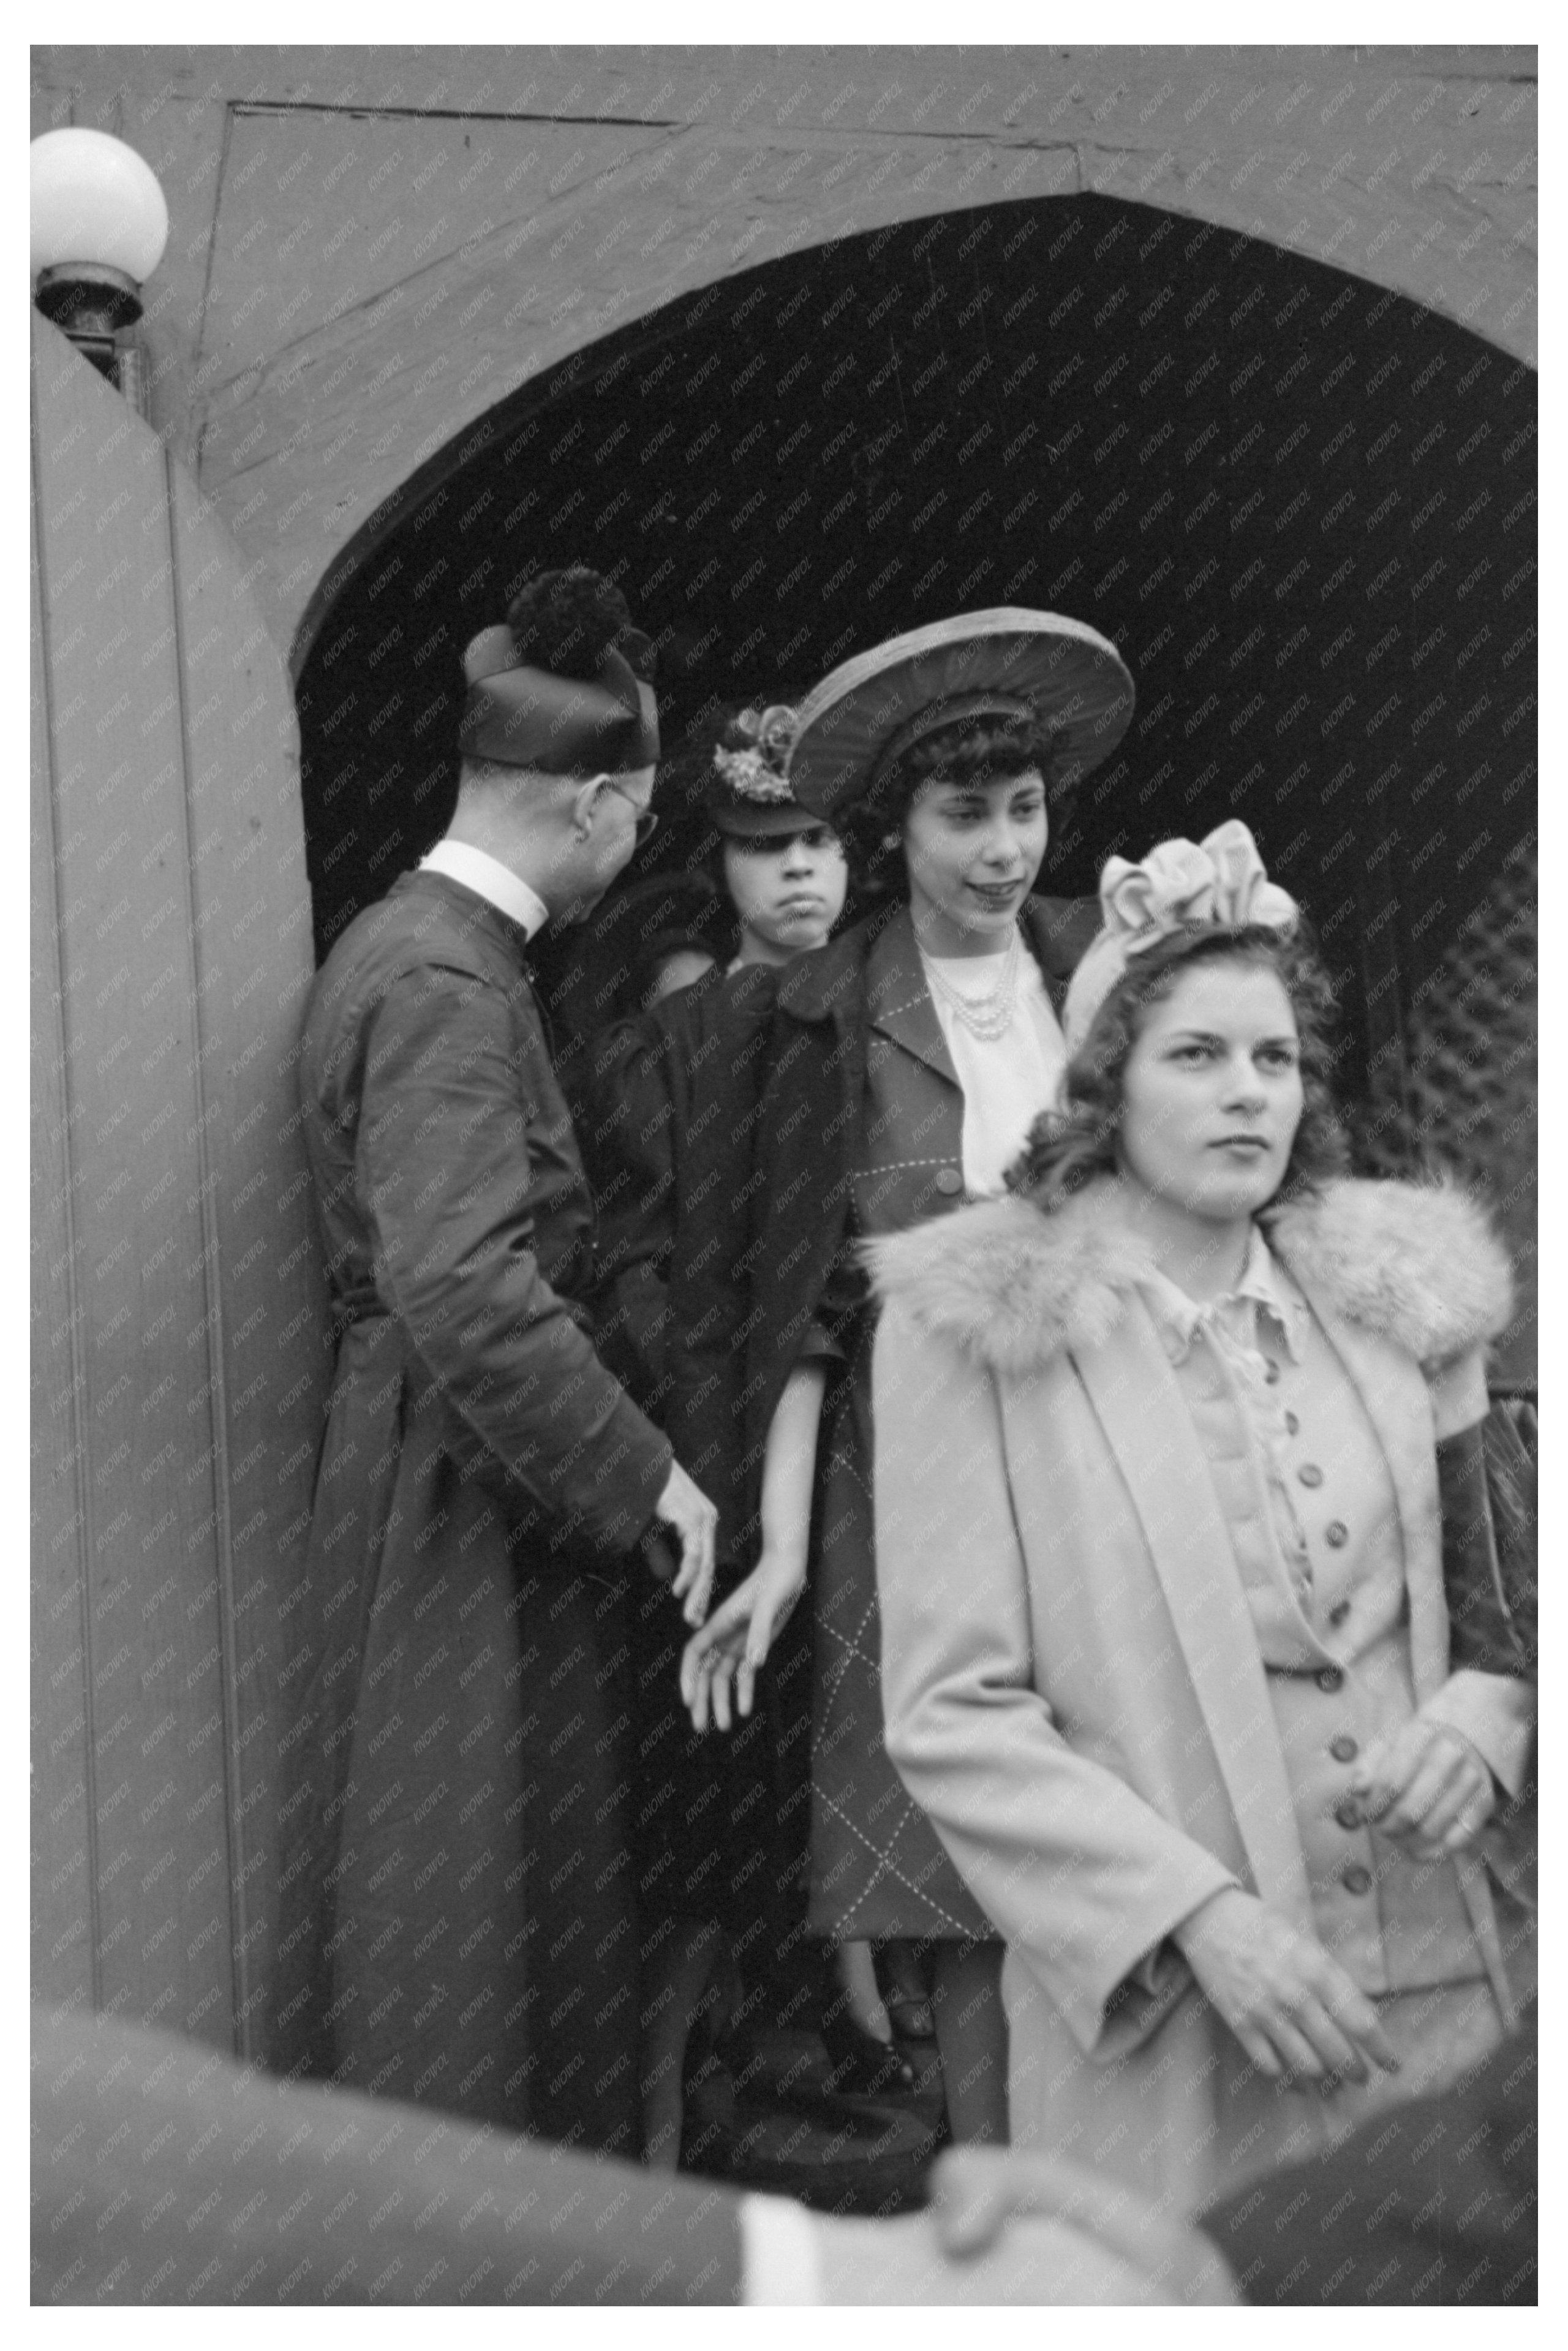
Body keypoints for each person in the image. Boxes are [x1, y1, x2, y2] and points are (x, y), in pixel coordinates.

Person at [865, 820, 1537, 2214]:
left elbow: (1504, 1615)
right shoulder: (974, 1333)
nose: (1248, 1094)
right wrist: (1195, 1917)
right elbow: (953, 1710)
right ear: (1102, 1085)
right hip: (1183, 2025)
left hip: (1450, 1997)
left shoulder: (1399, 1298)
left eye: (1274, 1057)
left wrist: (1490, 1720)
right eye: (1195, 1055)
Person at [668, 611, 1134, 2141]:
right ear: (896, 826)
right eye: (963, 816)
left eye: (1023, 810)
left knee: (1133, 1814)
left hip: (1114, 1457)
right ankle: (986, 2185)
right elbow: (808, 1307)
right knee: (943, 1860)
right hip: (910, 1484)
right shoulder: (821, 1020)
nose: (1003, 849)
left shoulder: (1110, 962)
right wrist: (788, 1545)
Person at [272, 566, 717, 2157]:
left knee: (483, 1924)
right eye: (644, 822)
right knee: (463, 1945)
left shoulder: (410, 949)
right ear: (597, 807)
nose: (636, 852)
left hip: (442, 1477)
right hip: (455, 1496)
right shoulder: (451, 976)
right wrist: (649, 1473)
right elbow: (463, 1283)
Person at [579, 705, 852, 2165]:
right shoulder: (673, 1044)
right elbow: (642, 1267)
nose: (800, 873)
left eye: (819, 841)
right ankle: (674, 2132)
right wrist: (693, 1471)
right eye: (767, 847)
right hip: (727, 1460)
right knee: (710, 1805)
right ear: (722, 864)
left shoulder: (893, 1009)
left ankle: (865, 2050)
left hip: (886, 1456)